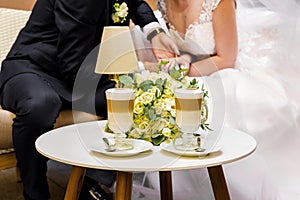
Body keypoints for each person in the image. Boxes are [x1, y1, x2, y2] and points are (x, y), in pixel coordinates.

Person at [0, 0, 180, 199]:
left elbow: (134, 3)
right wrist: (140, 67)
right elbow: (73, 66)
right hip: (35, 69)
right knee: (41, 104)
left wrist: (155, 33)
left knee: (136, 102)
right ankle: (35, 193)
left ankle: (91, 183)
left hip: (77, 75)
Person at [132, 0, 300, 199]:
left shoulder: (218, 2)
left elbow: (226, 58)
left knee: (209, 103)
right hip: (197, 70)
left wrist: (184, 71)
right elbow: (187, 48)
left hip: (226, 70)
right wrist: (182, 59)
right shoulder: (165, 3)